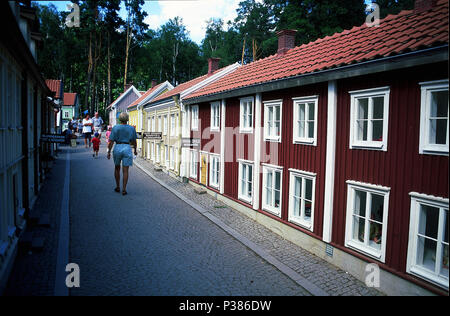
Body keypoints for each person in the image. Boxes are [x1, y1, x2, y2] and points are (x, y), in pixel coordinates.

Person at [107, 112, 137, 196]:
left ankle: (117, 186)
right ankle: (124, 189)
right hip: (127, 147)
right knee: (125, 170)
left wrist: (109, 151)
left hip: (118, 147)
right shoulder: (131, 128)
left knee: (117, 168)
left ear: (119, 119)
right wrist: (135, 149)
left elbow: (111, 141)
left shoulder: (115, 128)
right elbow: (134, 140)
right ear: (127, 119)